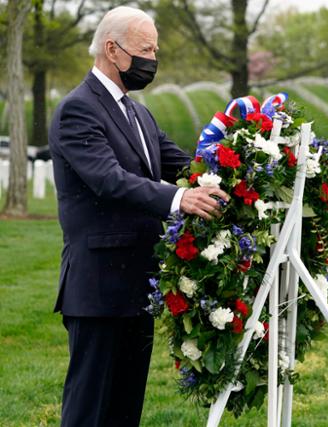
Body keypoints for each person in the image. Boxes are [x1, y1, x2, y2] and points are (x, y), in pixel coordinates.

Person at [48, 6, 228, 426]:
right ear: (112, 49)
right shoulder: (78, 109)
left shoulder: (139, 113)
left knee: (125, 410)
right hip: (98, 286)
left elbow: (184, 166)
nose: (153, 58)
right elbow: (109, 179)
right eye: (146, 49)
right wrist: (178, 199)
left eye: (156, 49)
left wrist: (238, 167)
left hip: (139, 285)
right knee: (88, 411)